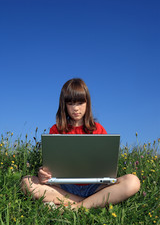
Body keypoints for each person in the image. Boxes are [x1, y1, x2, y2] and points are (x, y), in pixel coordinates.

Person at [21, 78, 140, 209]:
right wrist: (42, 173)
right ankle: (86, 204)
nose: (76, 108)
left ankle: (72, 206)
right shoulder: (56, 130)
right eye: (71, 103)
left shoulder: (98, 129)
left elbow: (108, 167)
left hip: (95, 185)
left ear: (87, 103)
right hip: (64, 186)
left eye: (80, 103)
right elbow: (51, 165)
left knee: (132, 182)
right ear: (64, 105)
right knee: (27, 182)